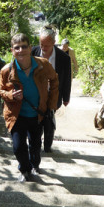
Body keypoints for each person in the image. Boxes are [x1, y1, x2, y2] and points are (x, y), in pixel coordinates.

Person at [0, 33, 59, 182]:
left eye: (24, 46)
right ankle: (25, 169)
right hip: (16, 115)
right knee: (18, 147)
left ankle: (35, 165)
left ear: (30, 48)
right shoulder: (6, 70)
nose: (21, 50)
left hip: (37, 114)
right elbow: (1, 90)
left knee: (35, 144)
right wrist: (11, 95)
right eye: (17, 47)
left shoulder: (42, 64)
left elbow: (54, 80)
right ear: (12, 50)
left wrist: (51, 104)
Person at [31, 24, 71, 153]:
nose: (43, 48)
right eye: (41, 44)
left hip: (54, 94)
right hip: (35, 94)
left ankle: (47, 145)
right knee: (36, 121)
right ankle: (35, 144)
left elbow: (67, 79)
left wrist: (66, 97)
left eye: (46, 46)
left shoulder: (64, 58)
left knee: (49, 121)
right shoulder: (32, 52)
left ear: (54, 43)